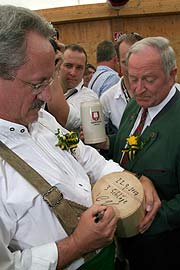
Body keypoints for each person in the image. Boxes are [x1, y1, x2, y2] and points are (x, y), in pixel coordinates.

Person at [0, 5, 161, 270]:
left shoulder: (43, 121)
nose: (46, 96)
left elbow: (89, 160)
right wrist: (76, 244)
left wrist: (134, 180)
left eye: (49, 82)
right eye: (38, 83)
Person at [99, 36, 180, 269]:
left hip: (164, 246)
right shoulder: (135, 105)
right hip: (126, 242)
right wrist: (107, 143)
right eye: (132, 79)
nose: (138, 88)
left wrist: (149, 220)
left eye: (148, 79)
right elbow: (129, 146)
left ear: (172, 74)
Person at [46, 44, 98, 132]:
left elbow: (63, 118)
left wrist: (52, 70)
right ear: (60, 65)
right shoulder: (43, 87)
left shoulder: (90, 98)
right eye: (68, 66)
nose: (73, 73)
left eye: (79, 68)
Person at [100, 33, 144, 135]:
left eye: (137, 61)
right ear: (117, 61)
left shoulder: (164, 92)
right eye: (126, 62)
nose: (132, 68)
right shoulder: (107, 99)